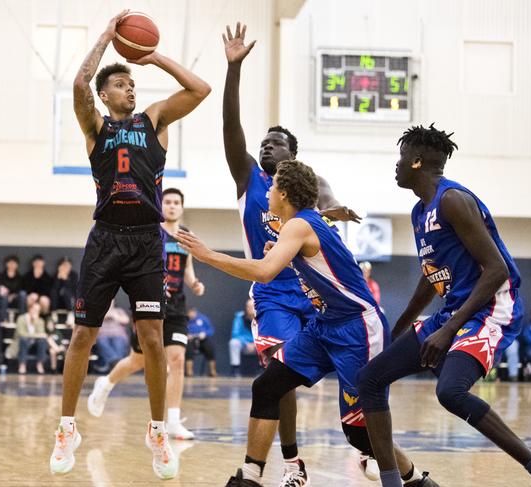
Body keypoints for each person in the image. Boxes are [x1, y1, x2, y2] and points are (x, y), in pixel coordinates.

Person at [177, 159, 436, 487]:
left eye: (272, 188)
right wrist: (283, 251)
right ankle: (251, 477)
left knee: (361, 433)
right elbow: (297, 257)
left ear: (283, 194)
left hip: (358, 328)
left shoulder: (299, 225)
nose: (267, 192)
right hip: (326, 326)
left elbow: (263, 272)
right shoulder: (302, 225)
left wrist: (206, 255)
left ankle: (416, 483)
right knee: (267, 385)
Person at [356, 124, 531, 487]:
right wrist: (396, 330)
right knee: (369, 379)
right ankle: (395, 483)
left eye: (401, 158)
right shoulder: (420, 212)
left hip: (492, 308)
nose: (396, 166)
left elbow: (496, 270)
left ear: (416, 161)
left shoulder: (453, 201)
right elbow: (430, 278)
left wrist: (447, 330)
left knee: (450, 392)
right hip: (454, 312)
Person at [49, 10, 210, 480]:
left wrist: (152, 56)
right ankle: (67, 428)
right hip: (104, 241)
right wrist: (105, 38)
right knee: (82, 335)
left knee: (153, 340)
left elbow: (200, 90)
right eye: (122, 84)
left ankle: (158, 431)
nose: (131, 89)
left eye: (133, 84)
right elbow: (79, 86)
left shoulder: (154, 120)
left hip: (145, 243)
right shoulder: (95, 126)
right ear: (106, 95)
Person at [221, 22, 362, 486]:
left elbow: (321, 224)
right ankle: (291, 460)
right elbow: (231, 127)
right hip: (274, 293)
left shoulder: (308, 188)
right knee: (279, 374)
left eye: (276, 142)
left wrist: (333, 214)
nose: (265, 144)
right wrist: (234, 70)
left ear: (293, 154)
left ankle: (364, 443)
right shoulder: (249, 178)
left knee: (353, 369)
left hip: (317, 294)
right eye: (264, 141)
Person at [87, 188, 206, 443]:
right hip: (151, 303)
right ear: (160, 205)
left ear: (182, 208)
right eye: (168, 202)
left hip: (176, 307)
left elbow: (188, 268)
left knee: (176, 359)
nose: (172, 206)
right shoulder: (151, 231)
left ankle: (172, 421)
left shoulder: (187, 235)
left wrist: (194, 283)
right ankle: (105, 383)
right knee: (137, 361)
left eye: (177, 203)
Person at [94, 301, 131, 371]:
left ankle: (115, 363)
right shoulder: (99, 310)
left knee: (118, 342)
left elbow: (126, 320)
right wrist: (105, 316)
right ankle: (118, 364)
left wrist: (114, 316)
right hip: (103, 335)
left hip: (118, 334)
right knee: (102, 342)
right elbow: (94, 320)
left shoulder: (118, 311)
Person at [14, 302, 48, 375]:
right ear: (30, 309)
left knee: (42, 341)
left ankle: (40, 364)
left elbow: (41, 334)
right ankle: (22, 365)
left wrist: (35, 321)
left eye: (38, 311)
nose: (36, 312)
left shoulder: (40, 321)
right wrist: (36, 335)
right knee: (23, 339)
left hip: (35, 343)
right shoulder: (21, 318)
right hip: (23, 342)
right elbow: (21, 333)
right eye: (35, 309)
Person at [228, 299, 257, 377]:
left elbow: (265, 334)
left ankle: (263, 370)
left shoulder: (262, 317)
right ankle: (235, 369)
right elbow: (235, 333)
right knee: (233, 342)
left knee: (269, 344)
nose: (250, 308)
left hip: (257, 345)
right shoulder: (239, 317)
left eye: (252, 307)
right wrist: (246, 343)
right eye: (248, 307)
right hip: (244, 345)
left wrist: (255, 344)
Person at [0, 255, 26, 323]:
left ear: (17, 265)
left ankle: (21, 319)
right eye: (10, 263)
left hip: (15, 299)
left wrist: (13, 296)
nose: (12, 265)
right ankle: (4, 319)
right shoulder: (1, 276)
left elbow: (21, 289)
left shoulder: (19, 277)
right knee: (4, 295)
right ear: (6, 264)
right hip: (4, 299)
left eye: (14, 263)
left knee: (23, 294)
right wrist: (1, 288)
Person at [186, 307, 217, 377]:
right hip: (190, 341)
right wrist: (187, 335)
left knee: (209, 347)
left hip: (202, 340)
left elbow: (211, 329)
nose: (191, 315)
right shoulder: (185, 320)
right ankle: (189, 371)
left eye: (192, 313)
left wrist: (204, 333)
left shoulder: (203, 318)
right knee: (188, 349)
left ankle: (213, 371)